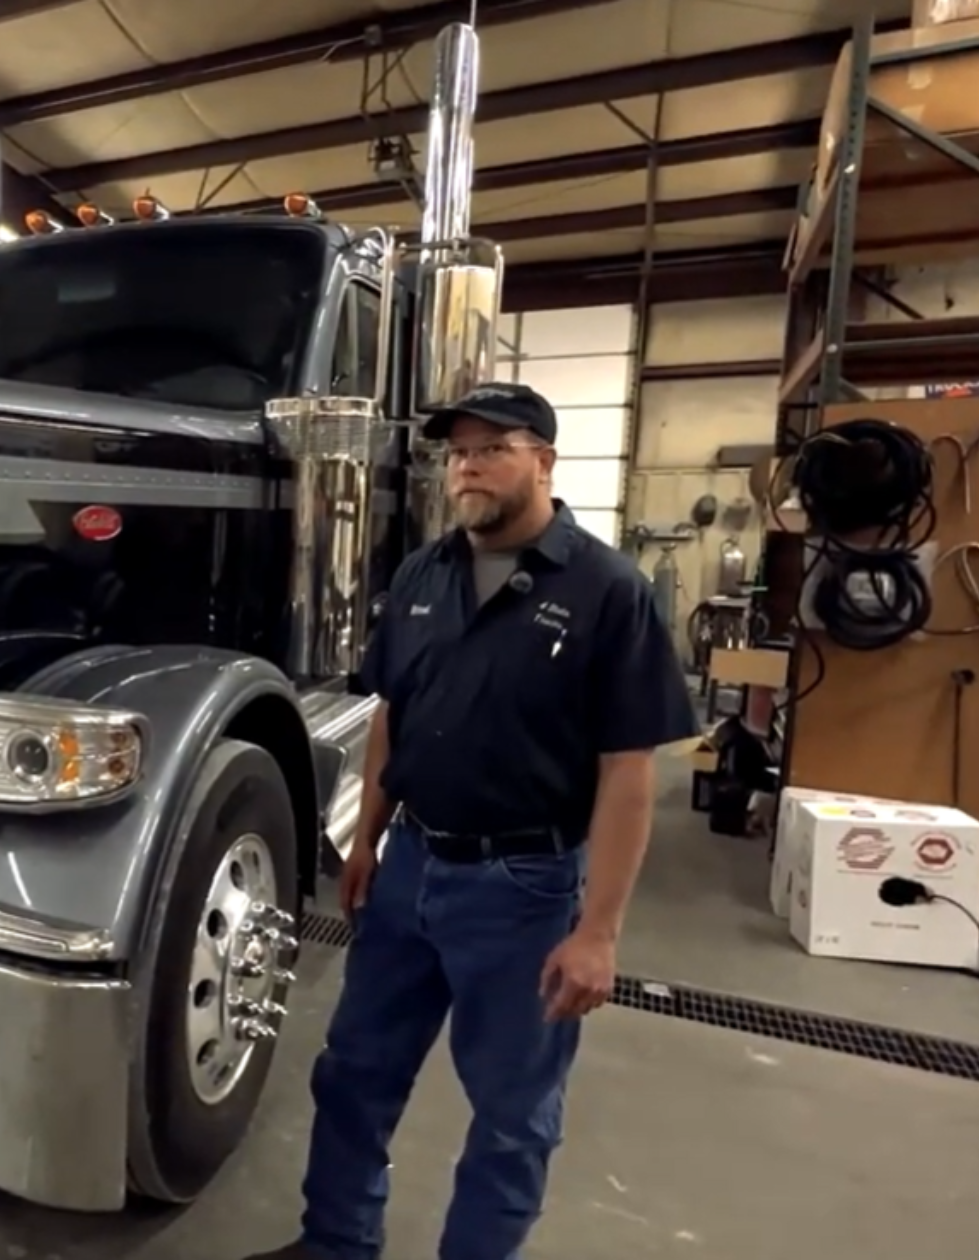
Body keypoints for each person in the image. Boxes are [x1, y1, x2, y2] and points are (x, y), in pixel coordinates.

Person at [244, 382, 696, 1260]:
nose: (468, 468)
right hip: (411, 865)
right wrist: (367, 837)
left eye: (493, 448)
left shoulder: (609, 591)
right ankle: (336, 1243)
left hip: (523, 890)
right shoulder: (425, 572)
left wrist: (598, 932)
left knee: (512, 1117)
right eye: (457, 453)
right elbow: (393, 712)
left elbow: (628, 772)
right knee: (354, 1075)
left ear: (544, 461)